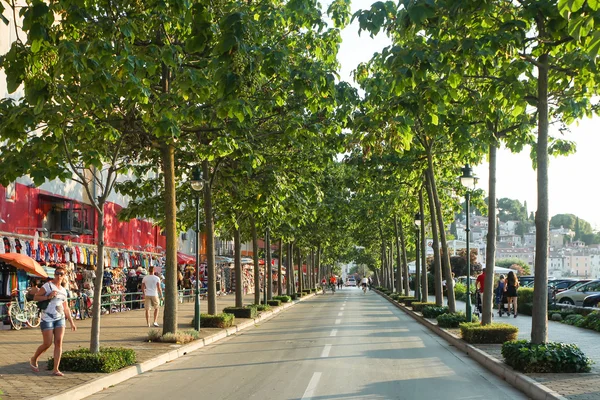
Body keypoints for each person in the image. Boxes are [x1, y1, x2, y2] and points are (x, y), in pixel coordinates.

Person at [30, 265, 77, 376]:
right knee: (47, 343)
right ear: (54, 275)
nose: (58, 276)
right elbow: (36, 297)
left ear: (64, 276)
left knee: (58, 342)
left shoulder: (64, 291)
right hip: (47, 318)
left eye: (61, 274)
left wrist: (71, 322)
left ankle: (56, 369)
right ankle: (34, 358)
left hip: (60, 318)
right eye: (57, 273)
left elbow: (66, 307)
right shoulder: (48, 286)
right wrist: (48, 297)